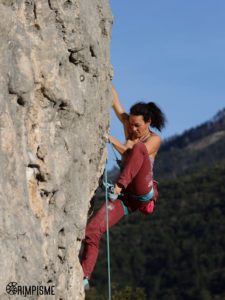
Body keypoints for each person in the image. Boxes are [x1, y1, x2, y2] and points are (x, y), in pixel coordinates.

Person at [81, 84, 166, 290]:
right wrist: (106, 79)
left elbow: (131, 155)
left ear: (148, 123)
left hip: (141, 190)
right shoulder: (129, 124)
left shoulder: (154, 140)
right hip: (127, 198)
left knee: (137, 148)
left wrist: (108, 138)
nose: (133, 129)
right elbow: (116, 103)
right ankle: (84, 276)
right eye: (131, 124)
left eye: (138, 125)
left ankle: (118, 186)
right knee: (92, 230)